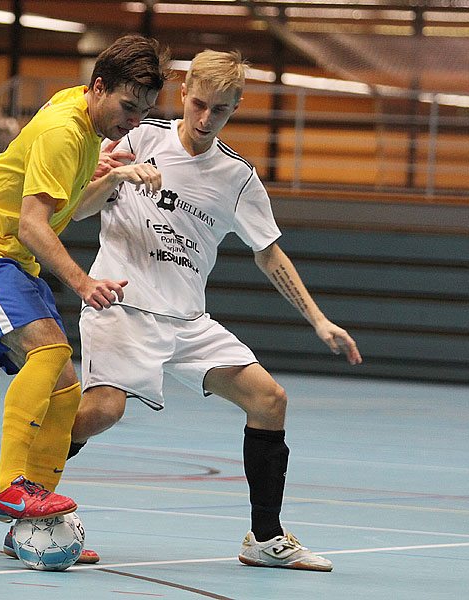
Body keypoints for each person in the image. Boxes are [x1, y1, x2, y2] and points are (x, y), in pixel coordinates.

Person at [69, 50, 362, 572]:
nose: (206, 120)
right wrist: (115, 178)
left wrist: (318, 319)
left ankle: (265, 538)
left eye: (221, 111)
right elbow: (78, 207)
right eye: (200, 104)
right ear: (182, 93)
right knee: (101, 413)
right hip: (122, 305)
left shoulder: (237, 178)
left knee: (269, 399)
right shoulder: (139, 137)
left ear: (236, 108)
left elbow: (268, 251)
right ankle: (15, 487)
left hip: (188, 322)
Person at [0, 35, 170, 563]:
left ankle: (30, 525)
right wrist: (83, 282)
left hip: (10, 262)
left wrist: (115, 176)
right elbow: (33, 223)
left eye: (145, 112)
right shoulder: (66, 131)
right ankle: (7, 486)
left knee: (65, 389)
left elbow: (68, 208)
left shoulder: (81, 115)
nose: (134, 121)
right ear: (99, 87)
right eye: (128, 107)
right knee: (51, 353)